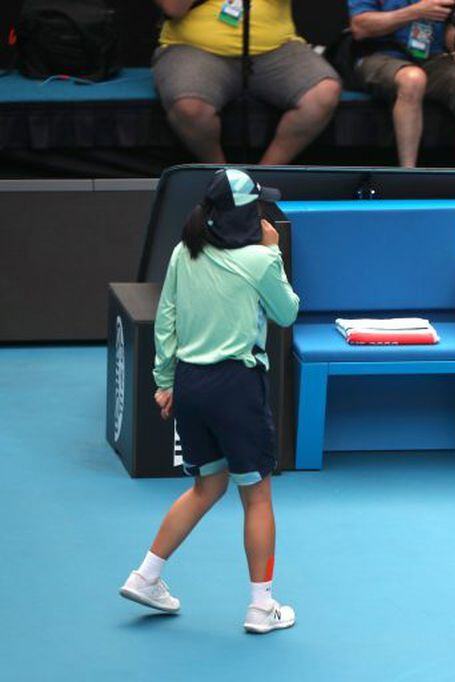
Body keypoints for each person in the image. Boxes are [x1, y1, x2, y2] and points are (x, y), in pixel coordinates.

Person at [119, 169, 301, 634]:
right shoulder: (259, 260)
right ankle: (262, 608)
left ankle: (146, 576)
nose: (264, 213)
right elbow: (287, 312)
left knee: (208, 486)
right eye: (258, 206)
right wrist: (273, 252)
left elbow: (167, 319)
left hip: (191, 386)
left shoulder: (184, 252)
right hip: (236, 389)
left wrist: (165, 382)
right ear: (245, 215)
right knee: (256, 495)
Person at [153, 0, 342, 164]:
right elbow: (173, 8)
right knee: (189, 105)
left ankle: (264, 176)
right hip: (192, 48)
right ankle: (223, 176)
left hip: (277, 48)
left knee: (323, 92)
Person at [349, 0, 455, 168]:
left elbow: (451, 27)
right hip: (380, 54)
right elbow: (360, 28)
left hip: (431, 57)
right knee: (413, 79)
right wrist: (415, 12)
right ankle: (408, 172)